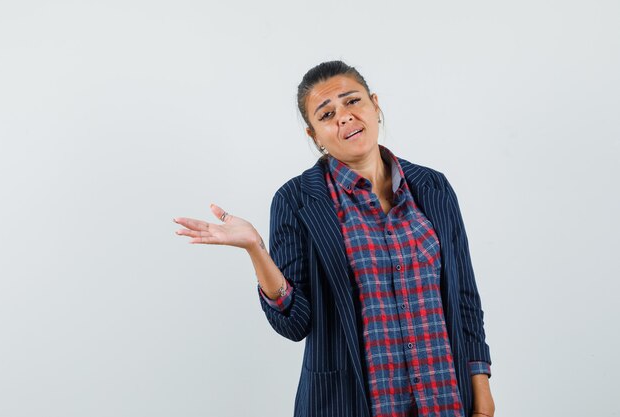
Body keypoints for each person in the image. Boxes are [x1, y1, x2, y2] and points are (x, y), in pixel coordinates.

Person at [174, 61, 495, 417]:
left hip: (446, 401)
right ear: (315, 135)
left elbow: (464, 296)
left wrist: (480, 389)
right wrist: (256, 250)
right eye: (327, 114)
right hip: (347, 403)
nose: (344, 117)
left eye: (353, 101)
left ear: (374, 104)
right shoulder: (296, 200)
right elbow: (294, 323)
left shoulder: (433, 187)